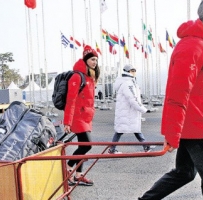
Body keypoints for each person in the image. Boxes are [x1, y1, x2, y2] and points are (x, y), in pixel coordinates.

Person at [138, 0, 203, 199]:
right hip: (200, 130)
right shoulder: (194, 46)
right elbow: (178, 93)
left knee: (184, 173)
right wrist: (172, 133)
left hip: (197, 126)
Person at [63, 45, 100, 186]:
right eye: (91, 59)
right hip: (78, 117)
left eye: (96, 59)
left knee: (83, 146)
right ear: (85, 60)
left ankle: (78, 175)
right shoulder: (77, 76)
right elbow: (70, 100)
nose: (94, 62)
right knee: (86, 145)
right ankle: (69, 168)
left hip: (86, 117)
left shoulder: (90, 77)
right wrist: (67, 122)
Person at [108, 64, 151, 154]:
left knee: (127, 130)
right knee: (132, 130)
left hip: (126, 111)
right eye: (133, 70)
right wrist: (143, 109)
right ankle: (146, 146)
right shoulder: (128, 83)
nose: (135, 72)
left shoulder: (128, 82)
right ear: (128, 72)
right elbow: (133, 98)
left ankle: (145, 146)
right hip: (128, 112)